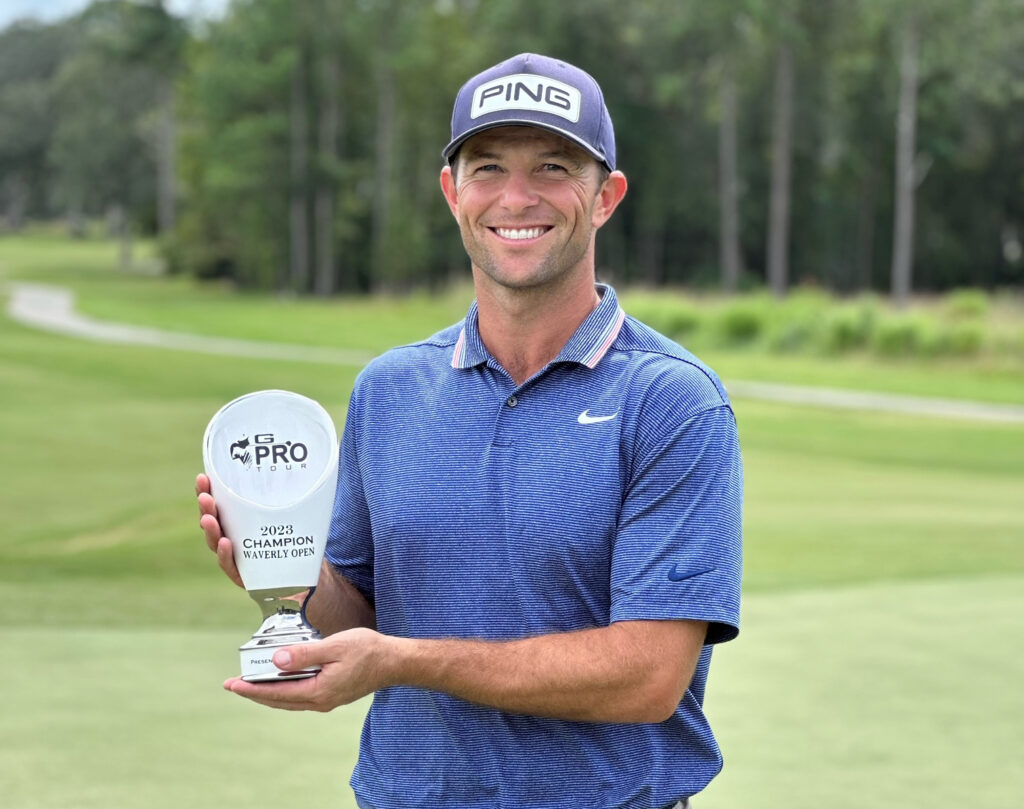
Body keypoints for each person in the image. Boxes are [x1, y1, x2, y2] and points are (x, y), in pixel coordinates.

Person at [197, 52, 742, 809]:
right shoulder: (388, 389)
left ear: (607, 195)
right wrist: (284, 570)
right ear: (453, 191)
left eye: (554, 166)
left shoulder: (673, 400)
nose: (517, 197)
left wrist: (400, 660)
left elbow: (648, 674)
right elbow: (358, 612)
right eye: (487, 168)